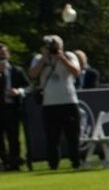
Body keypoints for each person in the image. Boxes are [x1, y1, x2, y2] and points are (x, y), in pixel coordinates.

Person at [27, 35, 81, 169]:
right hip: (49, 103)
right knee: (52, 136)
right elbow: (32, 74)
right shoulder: (39, 58)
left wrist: (61, 57)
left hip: (68, 101)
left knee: (72, 135)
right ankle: (53, 163)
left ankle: (76, 161)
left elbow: (76, 72)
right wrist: (44, 60)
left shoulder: (69, 56)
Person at [0, 44, 27, 171]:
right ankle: (4, 161)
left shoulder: (17, 71)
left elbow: (29, 87)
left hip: (12, 107)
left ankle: (15, 162)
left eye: (3, 56)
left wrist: (19, 91)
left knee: (13, 137)